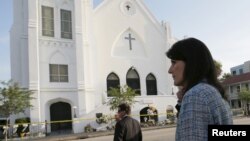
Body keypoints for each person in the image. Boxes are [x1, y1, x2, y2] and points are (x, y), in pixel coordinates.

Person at [166, 37, 233, 141]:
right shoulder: (212, 91)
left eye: (174, 62)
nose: (170, 70)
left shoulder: (196, 95)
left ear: (191, 63)